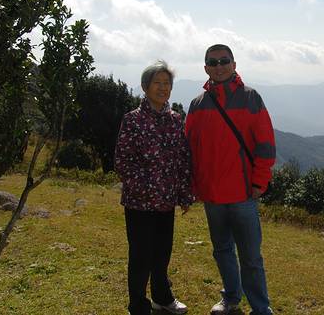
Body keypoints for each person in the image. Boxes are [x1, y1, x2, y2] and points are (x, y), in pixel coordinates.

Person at [185, 44, 276, 315]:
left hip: (243, 194)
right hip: (212, 195)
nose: (219, 66)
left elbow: (265, 144)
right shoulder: (197, 105)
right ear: (206, 68)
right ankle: (231, 298)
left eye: (224, 61)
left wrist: (260, 182)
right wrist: (193, 186)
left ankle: (261, 308)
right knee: (222, 250)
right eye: (213, 62)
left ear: (234, 65)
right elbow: (189, 150)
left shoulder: (251, 98)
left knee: (251, 257)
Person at [115, 60, 194, 315]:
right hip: (139, 202)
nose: (162, 88)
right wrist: (147, 187)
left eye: (166, 83)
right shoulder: (132, 120)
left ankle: (162, 298)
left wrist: (184, 194)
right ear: (145, 87)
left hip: (166, 201)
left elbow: (182, 159)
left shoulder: (175, 120)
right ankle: (138, 306)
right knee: (140, 256)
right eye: (157, 83)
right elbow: (123, 161)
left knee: (162, 254)